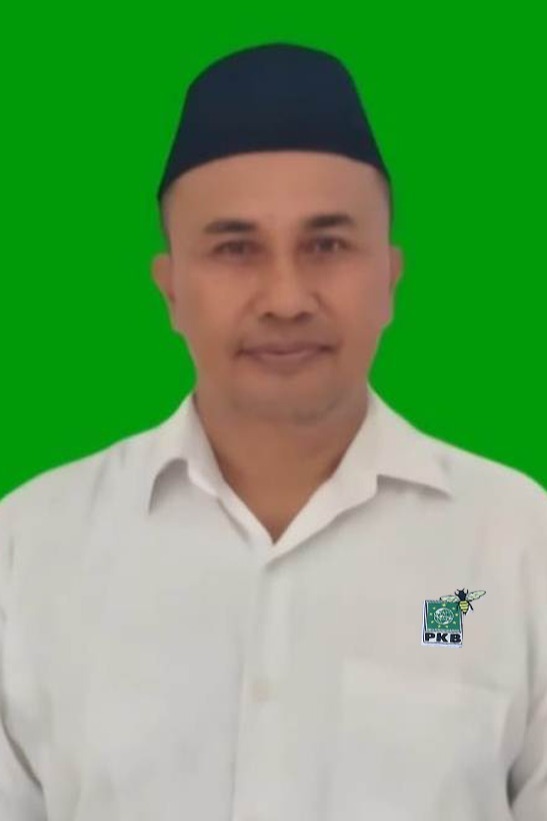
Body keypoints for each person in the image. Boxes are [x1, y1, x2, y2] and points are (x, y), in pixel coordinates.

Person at [1, 42, 545, 821]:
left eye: (326, 245)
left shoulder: (515, 543)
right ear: (170, 289)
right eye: (235, 249)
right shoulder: (29, 549)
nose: (286, 298)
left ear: (389, 277)